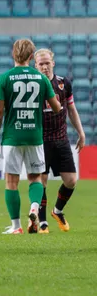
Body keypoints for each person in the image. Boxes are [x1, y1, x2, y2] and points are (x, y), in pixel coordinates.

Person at [0, 39, 61, 235]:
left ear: (13, 54)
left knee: (11, 182)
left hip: (12, 137)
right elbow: (56, 108)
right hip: (34, 136)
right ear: (32, 57)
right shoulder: (41, 79)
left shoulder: (4, 78)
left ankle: (16, 227)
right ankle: (34, 208)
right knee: (35, 178)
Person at [33, 49, 86, 233]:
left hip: (61, 139)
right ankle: (43, 222)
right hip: (40, 140)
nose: (45, 67)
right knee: (42, 181)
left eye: (47, 63)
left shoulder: (64, 84)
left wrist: (81, 132)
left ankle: (58, 210)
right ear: (35, 66)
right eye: (41, 64)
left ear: (53, 63)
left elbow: (71, 109)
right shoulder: (33, 86)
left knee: (71, 180)